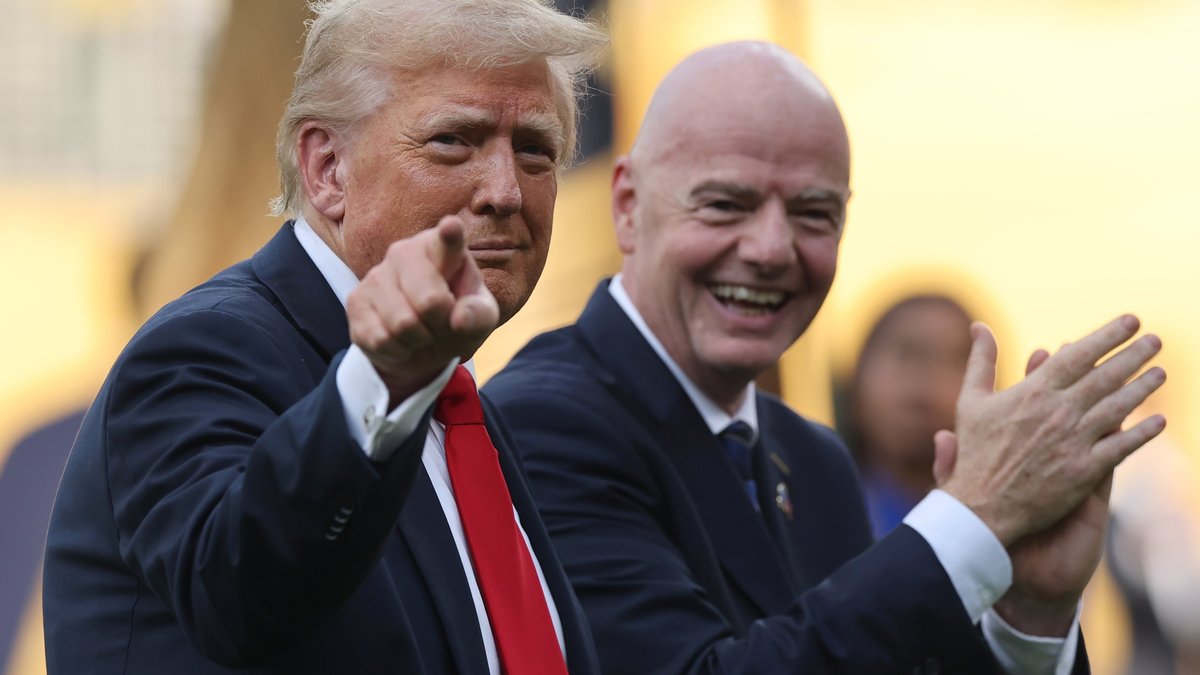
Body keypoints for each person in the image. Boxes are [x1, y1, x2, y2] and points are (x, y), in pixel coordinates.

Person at [484, 41, 1167, 674]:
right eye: (726, 204)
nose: (771, 249)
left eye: (814, 213)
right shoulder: (542, 426)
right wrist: (973, 519)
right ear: (629, 206)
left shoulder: (811, 458)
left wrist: (1030, 617)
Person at [42, 1, 606, 673]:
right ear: (327, 168)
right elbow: (242, 597)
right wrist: (382, 384)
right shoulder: (203, 351)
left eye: (535, 150)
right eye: (454, 140)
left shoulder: (453, 407)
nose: (505, 191)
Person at [836, 294, 974, 536]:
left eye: (952, 359)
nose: (925, 382)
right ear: (856, 382)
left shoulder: (1000, 531)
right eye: (906, 354)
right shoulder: (811, 511)